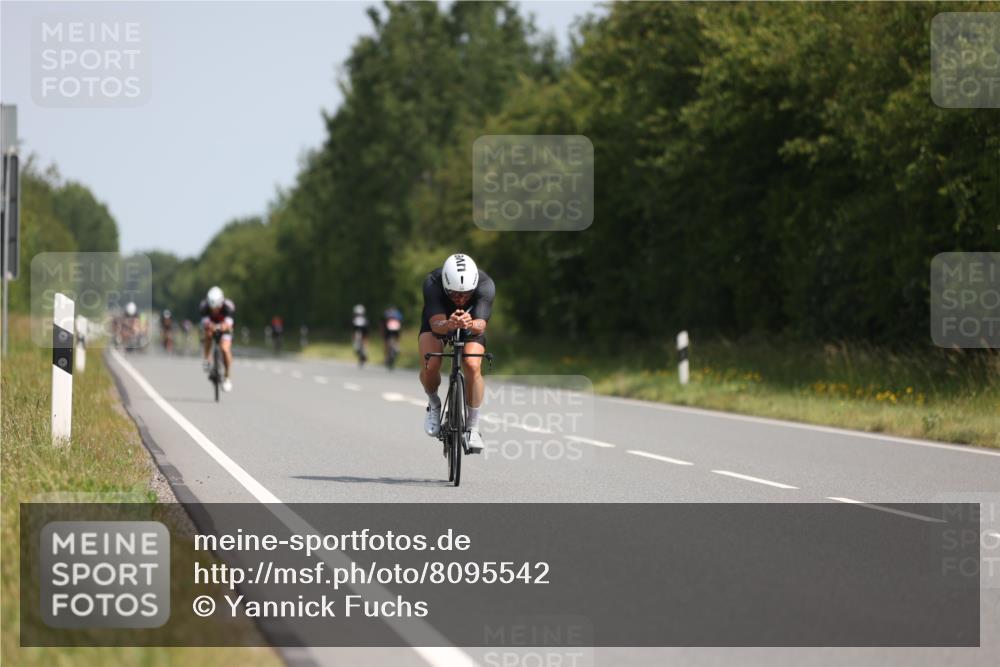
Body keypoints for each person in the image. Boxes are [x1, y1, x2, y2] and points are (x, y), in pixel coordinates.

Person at [419, 253, 494, 453]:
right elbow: (435, 325)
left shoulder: (485, 284)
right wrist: (448, 324)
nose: (460, 300)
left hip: (471, 324)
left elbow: (481, 324)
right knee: (431, 364)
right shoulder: (433, 282)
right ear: (445, 285)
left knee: (471, 365)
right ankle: (434, 403)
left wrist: (470, 323)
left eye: (466, 294)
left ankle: (473, 426)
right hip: (439, 321)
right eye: (453, 294)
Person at [199, 286, 235, 392]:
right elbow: (205, 322)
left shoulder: (228, 306)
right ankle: (206, 358)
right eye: (212, 308)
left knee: (225, 349)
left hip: (225, 327)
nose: (214, 310)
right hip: (211, 326)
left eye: (217, 308)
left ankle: (227, 377)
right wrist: (211, 327)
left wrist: (222, 327)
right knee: (208, 335)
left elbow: (229, 323)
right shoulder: (204, 306)